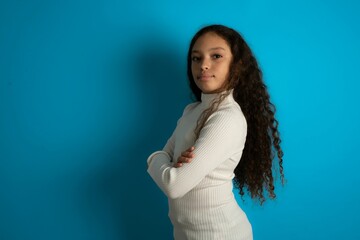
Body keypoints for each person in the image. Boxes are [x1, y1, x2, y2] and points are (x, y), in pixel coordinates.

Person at [146, 24, 285, 240]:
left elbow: (174, 185)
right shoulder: (192, 111)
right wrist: (168, 163)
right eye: (196, 58)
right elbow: (171, 166)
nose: (204, 65)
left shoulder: (226, 118)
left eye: (216, 56)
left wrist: (154, 158)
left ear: (236, 66)